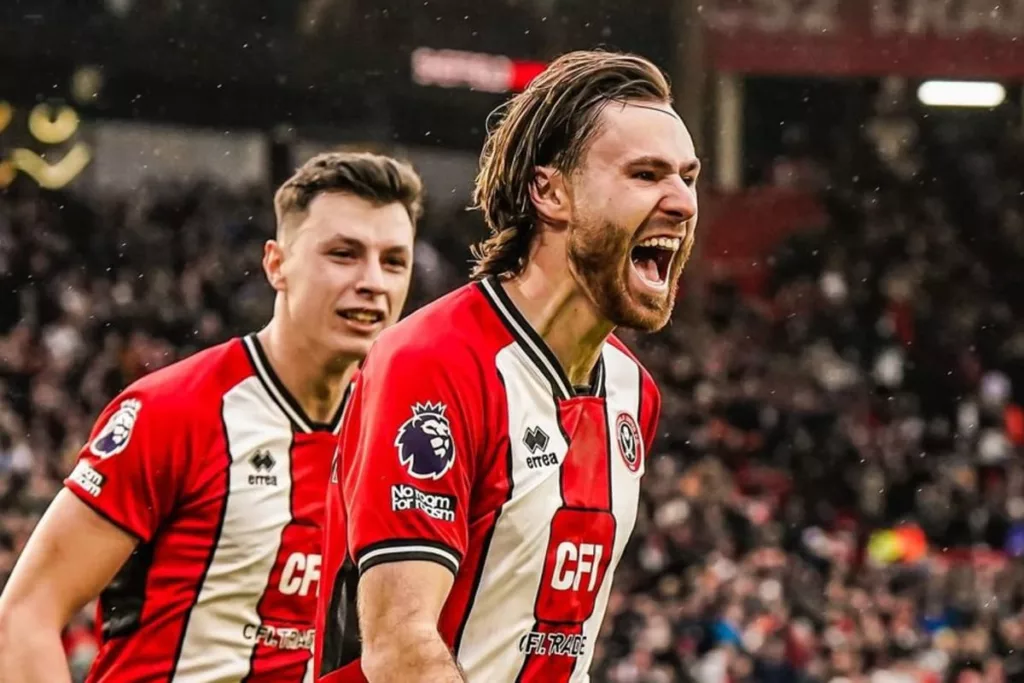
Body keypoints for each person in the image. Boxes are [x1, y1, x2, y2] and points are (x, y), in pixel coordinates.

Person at [315, 50, 700, 683]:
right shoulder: (433, 362)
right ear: (550, 192)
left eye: (688, 177)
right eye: (646, 174)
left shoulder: (635, 393)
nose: (682, 203)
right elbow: (400, 651)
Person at [0, 151, 423, 682]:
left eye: (393, 261)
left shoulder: (399, 439)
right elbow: (27, 611)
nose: (372, 282)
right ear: (277, 264)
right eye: (343, 254)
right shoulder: (173, 412)